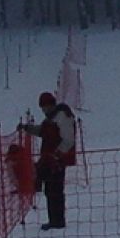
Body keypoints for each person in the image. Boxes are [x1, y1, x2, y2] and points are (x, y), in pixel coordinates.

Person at [35, 90, 77, 230]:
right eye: (42, 108)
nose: (43, 110)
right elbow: (43, 131)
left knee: (55, 190)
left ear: (51, 105)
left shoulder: (61, 116)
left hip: (57, 159)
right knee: (50, 189)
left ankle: (58, 221)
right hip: (50, 158)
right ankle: (53, 219)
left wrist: (57, 154)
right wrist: (28, 129)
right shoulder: (52, 118)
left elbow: (68, 139)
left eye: (45, 107)